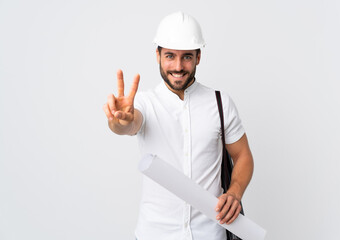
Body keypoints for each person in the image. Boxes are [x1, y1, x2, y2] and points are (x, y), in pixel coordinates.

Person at [103, 11, 254, 240]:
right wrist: (120, 122)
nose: (178, 66)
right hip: (154, 234)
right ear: (158, 56)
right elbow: (129, 125)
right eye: (170, 56)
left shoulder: (220, 103)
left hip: (209, 234)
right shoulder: (144, 103)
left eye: (186, 57)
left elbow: (243, 155)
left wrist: (234, 192)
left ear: (198, 57)